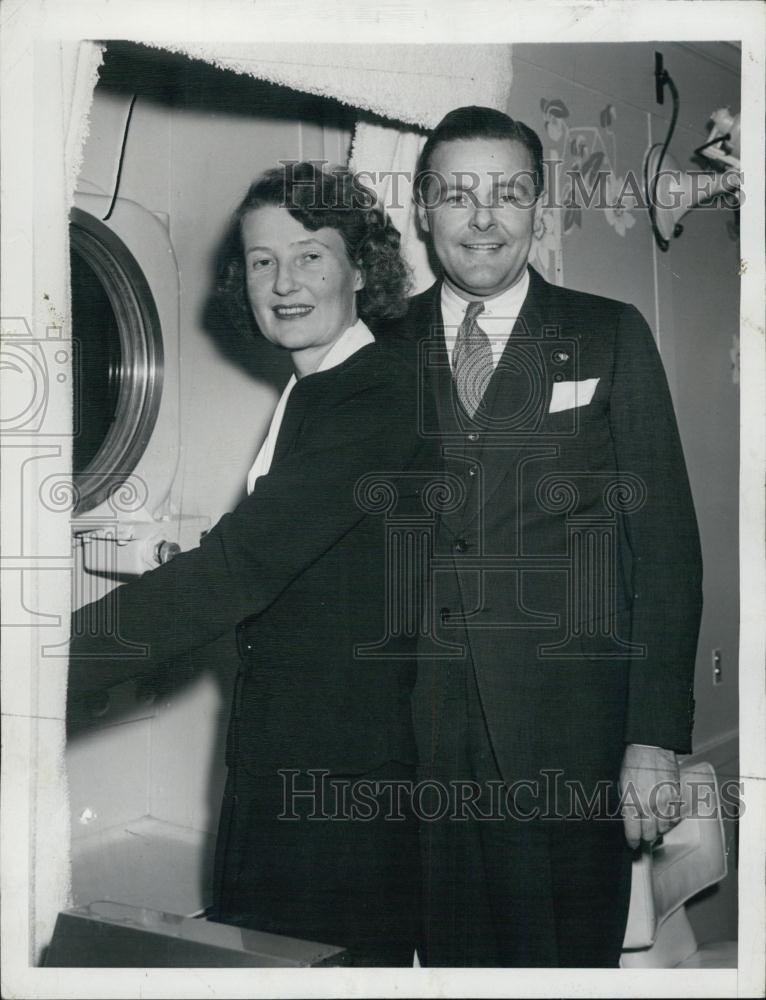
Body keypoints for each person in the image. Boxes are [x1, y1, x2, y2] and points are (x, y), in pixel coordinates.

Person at [68, 162, 439, 966]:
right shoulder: (315, 391)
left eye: (310, 255)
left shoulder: (377, 396)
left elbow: (238, 569)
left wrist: (39, 666)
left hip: (345, 783)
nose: (283, 281)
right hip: (285, 759)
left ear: (362, 268)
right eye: (263, 261)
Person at [381, 106, 703, 967]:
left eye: (508, 193)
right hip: (419, 742)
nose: (483, 218)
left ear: (538, 208)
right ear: (421, 210)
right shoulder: (377, 345)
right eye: (457, 194)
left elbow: (665, 549)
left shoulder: (609, 332)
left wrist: (654, 738)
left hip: (574, 742)